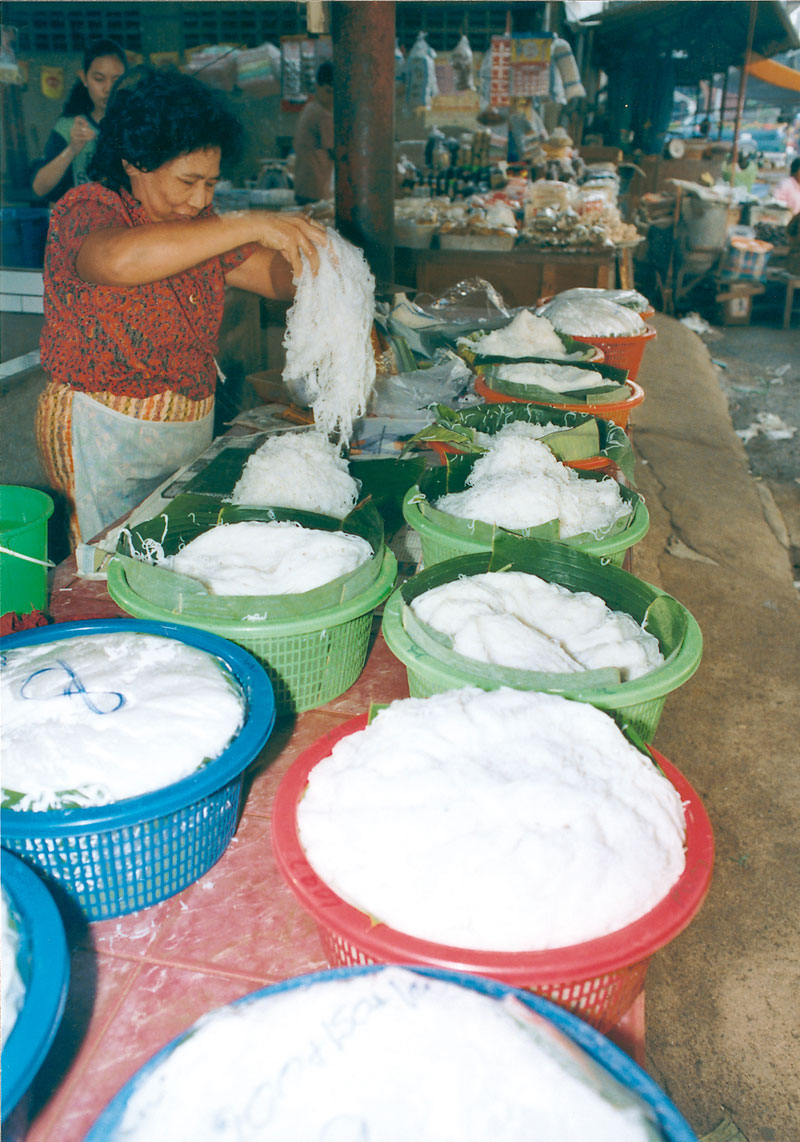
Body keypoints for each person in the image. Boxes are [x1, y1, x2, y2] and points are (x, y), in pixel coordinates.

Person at [35, 66, 328, 549]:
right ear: (134, 161)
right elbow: (118, 259)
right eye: (188, 181)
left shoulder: (199, 227)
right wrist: (249, 222)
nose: (199, 200)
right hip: (104, 435)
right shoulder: (88, 208)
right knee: (110, 565)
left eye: (211, 184)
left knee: (172, 558)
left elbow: (270, 278)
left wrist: (321, 261)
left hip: (182, 433)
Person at [31, 39, 127, 203]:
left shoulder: (135, 124)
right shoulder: (69, 126)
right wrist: (72, 149)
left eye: (116, 80)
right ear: (84, 78)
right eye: (99, 79)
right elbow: (39, 188)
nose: (108, 88)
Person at [292, 60, 334, 204]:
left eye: (335, 93)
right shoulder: (322, 115)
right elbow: (335, 151)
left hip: (304, 185)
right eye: (328, 91)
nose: (331, 98)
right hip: (314, 188)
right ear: (318, 87)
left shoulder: (310, 108)